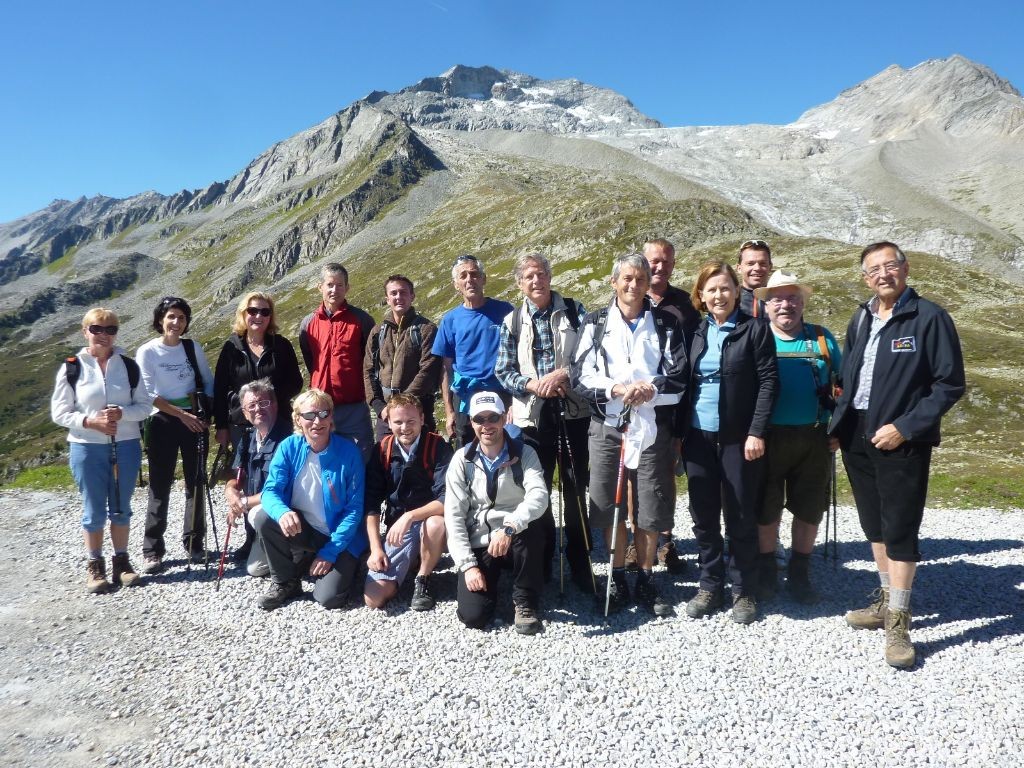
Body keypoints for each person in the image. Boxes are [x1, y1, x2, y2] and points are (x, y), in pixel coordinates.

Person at [828, 242, 965, 668]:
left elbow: (949, 384)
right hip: (858, 435)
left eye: (890, 266)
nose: (883, 274)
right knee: (874, 522)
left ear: (905, 268)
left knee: (901, 526)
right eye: (874, 269)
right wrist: (838, 423)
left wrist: (906, 427)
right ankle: (887, 600)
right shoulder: (862, 316)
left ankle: (901, 621)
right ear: (865, 277)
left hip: (900, 438)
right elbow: (849, 377)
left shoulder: (929, 318)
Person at [573, 253, 688, 617]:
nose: (633, 285)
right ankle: (618, 576)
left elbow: (679, 375)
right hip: (608, 424)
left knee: (650, 508)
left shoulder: (667, 323)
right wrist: (616, 389)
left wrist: (650, 388)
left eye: (639, 279)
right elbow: (580, 374)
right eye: (626, 278)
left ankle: (646, 578)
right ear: (613, 282)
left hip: (652, 427)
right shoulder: (594, 323)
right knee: (608, 506)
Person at [683, 261, 777, 625]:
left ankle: (743, 588)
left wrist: (757, 432)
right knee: (703, 515)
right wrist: (679, 435)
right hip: (697, 435)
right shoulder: (696, 332)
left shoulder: (755, 330)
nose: (719, 295)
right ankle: (710, 584)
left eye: (725, 288)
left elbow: (769, 383)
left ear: (737, 292)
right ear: (701, 296)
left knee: (740, 514)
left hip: (739, 438)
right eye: (711, 289)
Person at [495, 252, 594, 592]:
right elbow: (503, 371)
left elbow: (589, 356)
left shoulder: (575, 310)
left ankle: (582, 563)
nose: (536, 281)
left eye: (541, 274)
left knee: (575, 487)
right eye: (528, 277)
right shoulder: (511, 321)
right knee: (537, 491)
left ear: (550, 276)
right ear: (520, 284)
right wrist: (532, 384)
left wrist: (563, 374)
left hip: (573, 411)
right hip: (532, 418)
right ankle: (544, 559)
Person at [754, 271, 841, 605]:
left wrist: (840, 431)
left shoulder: (822, 339)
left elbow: (844, 386)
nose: (785, 305)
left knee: (809, 509)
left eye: (792, 298)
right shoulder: (757, 337)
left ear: (802, 302)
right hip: (767, 437)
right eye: (777, 298)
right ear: (766, 305)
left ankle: (799, 573)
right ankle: (766, 571)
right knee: (766, 508)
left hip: (815, 437)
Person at [51, 308, 154, 592]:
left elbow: (145, 406)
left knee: (121, 508)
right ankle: (95, 565)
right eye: (97, 329)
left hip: (126, 445)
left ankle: (121, 562)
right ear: (85, 331)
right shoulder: (72, 366)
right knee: (93, 510)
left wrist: (122, 413)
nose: (104, 335)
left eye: (111, 329)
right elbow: (59, 412)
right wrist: (89, 421)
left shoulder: (129, 366)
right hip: (86, 447)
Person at [254, 389, 369, 611]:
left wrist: (329, 552)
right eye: (310, 415)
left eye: (324, 414)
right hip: (307, 529)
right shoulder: (288, 447)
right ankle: (285, 582)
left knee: (328, 598)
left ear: (332, 417)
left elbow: (354, 510)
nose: (318, 421)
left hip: (340, 536)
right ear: (298, 419)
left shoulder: (349, 452)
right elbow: (270, 491)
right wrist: (282, 512)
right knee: (264, 518)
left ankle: (351, 566)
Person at [444, 392, 548, 634]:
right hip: (481, 540)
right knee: (473, 617)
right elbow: (454, 516)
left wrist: (510, 526)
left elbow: (539, 497)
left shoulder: (525, 454)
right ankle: (492, 579)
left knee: (532, 528)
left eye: (492, 417)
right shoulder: (461, 460)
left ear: (504, 419)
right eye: (480, 419)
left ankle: (525, 602)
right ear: (471, 422)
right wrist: (468, 566)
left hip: (514, 534)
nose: (486, 425)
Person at [135, 296, 214, 574]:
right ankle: (152, 550)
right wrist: (184, 416)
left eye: (181, 318)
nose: (176, 323)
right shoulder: (147, 351)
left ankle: (194, 543)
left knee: (196, 482)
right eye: (171, 317)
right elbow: (147, 393)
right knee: (160, 484)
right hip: (161, 422)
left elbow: (208, 381)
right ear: (160, 320)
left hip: (193, 420)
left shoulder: (193, 348)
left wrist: (205, 415)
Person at [363, 393, 453, 611]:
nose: (405, 428)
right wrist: (376, 549)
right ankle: (411, 561)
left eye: (411, 421)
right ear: (388, 422)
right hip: (398, 528)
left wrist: (410, 516)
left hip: (429, 521)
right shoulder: (382, 450)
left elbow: (447, 499)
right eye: (398, 422)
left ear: (422, 419)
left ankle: (424, 578)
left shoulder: (439, 447)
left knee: (436, 524)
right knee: (373, 598)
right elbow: (371, 504)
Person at [643, 237, 701, 574]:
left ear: (673, 264)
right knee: (637, 473)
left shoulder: (685, 304)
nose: (659, 266)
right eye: (654, 260)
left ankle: (665, 540)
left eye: (666, 261)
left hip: (672, 402)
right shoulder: (629, 297)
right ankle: (640, 539)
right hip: (637, 404)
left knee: (666, 472)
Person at [432, 255, 514, 447]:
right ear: (456, 284)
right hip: (465, 394)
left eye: (474, 274)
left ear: (483, 279)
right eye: (463, 276)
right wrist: (449, 411)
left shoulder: (505, 311)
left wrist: (515, 402)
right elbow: (446, 369)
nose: (470, 279)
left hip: (500, 390)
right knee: (466, 448)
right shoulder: (450, 320)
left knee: (505, 445)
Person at [298, 263, 376, 461]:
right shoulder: (308, 323)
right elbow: (310, 359)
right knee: (322, 460)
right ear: (320, 287)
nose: (334, 290)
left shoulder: (361, 320)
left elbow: (372, 360)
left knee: (361, 459)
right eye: (330, 285)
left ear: (347, 288)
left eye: (340, 285)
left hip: (354, 406)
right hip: (320, 408)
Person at [213, 291, 303, 450]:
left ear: (270, 317)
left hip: (277, 422)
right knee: (244, 472)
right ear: (243, 314)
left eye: (265, 312)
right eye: (253, 311)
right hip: (241, 424)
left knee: (279, 470)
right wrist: (221, 426)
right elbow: (220, 389)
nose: (258, 316)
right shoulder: (231, 348)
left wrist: (269, 399)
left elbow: (296, 382)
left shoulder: (281, 345)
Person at [223, 378, 292, 577]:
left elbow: (281, 489)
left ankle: (297, 552)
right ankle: (260, 542)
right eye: (251, 405)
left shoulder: (288, 438)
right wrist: (231, 491)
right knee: (254, 568)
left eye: (264, 403)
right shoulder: (248, 437)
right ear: (244, 412)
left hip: (283, 512)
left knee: (255, 569)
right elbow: (237, 474)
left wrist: (243, 502)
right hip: (258, 512)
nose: (258, 409)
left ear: (275, 404)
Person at [363, 274, 442, 440]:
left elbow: (428, 369)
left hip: (418, 411)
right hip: (385, 414)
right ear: (387, 298)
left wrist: (402, 406)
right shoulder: (378, 332)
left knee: (422, 459)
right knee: (385, 459)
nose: (398, 297)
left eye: (403, 292)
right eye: (393, 293)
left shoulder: (426, 329)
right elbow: (368, 370)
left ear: (412, 296)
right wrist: (379, 406)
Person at [737, 239, 773, 317]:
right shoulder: (730, 300)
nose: (757, 268)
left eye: (762, 263)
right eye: (750, 263)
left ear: (770, 267)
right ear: (739, 268)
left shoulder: (783, 300)